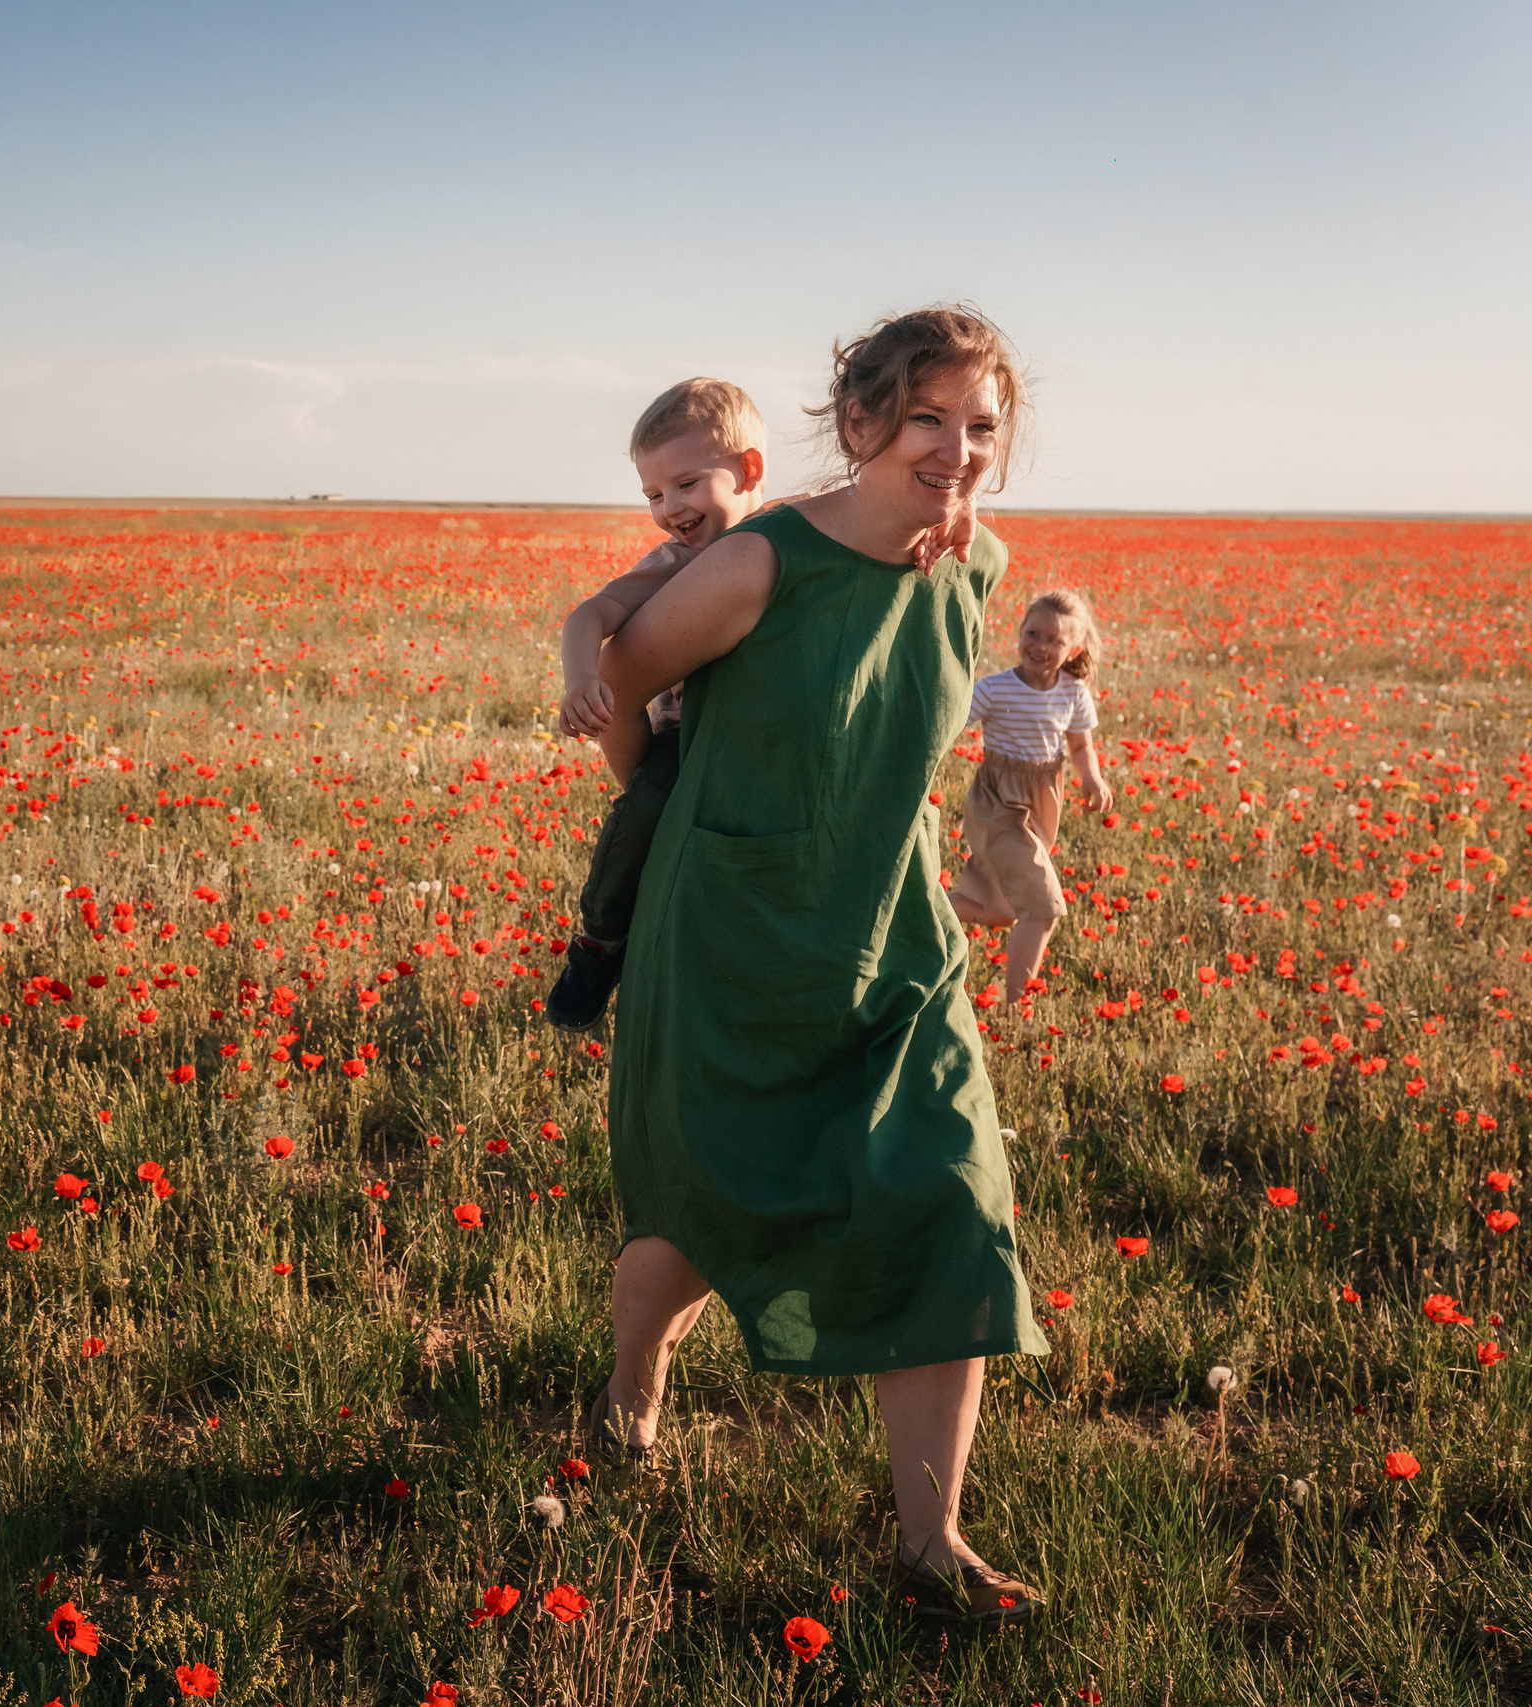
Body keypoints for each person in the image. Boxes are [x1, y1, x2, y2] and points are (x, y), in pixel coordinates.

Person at [585, 305, 1051, 1625]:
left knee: (951, 1201)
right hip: (731, 926)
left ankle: (931, 1538)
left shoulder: (974, 564)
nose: (958, 451)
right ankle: (633, 1388)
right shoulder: (760, 563)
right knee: (696, 1208)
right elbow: (622, 677)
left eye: (980, 427)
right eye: (928, 419)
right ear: (857, 423)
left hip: (891, 926)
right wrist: (678, 825)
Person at [547, 380, 768, 1030]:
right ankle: (601, 942)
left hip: (777, 732)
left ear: (748, 468)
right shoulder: (676, 560)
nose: (670, 506)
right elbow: (591, 613)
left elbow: (870, 512)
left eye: (687, 484)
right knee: (643, 810)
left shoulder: (801, 530)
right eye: (653, 494)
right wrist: (582, 677)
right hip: (687, 738)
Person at [947, 591, 1111, 1009]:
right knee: (1044, 908)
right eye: (1032, 633)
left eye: (1054, 640)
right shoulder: (996, 689)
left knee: (1001, 911)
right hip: (999, 804)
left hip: (1042, 802)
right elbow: (950, 724)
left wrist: (1090, 777)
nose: (1040, 646)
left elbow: (1079, 747)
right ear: (1019, 633)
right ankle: (1017, 1006)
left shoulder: (1072, 692)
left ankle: (919, 909)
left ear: (1072, 649)